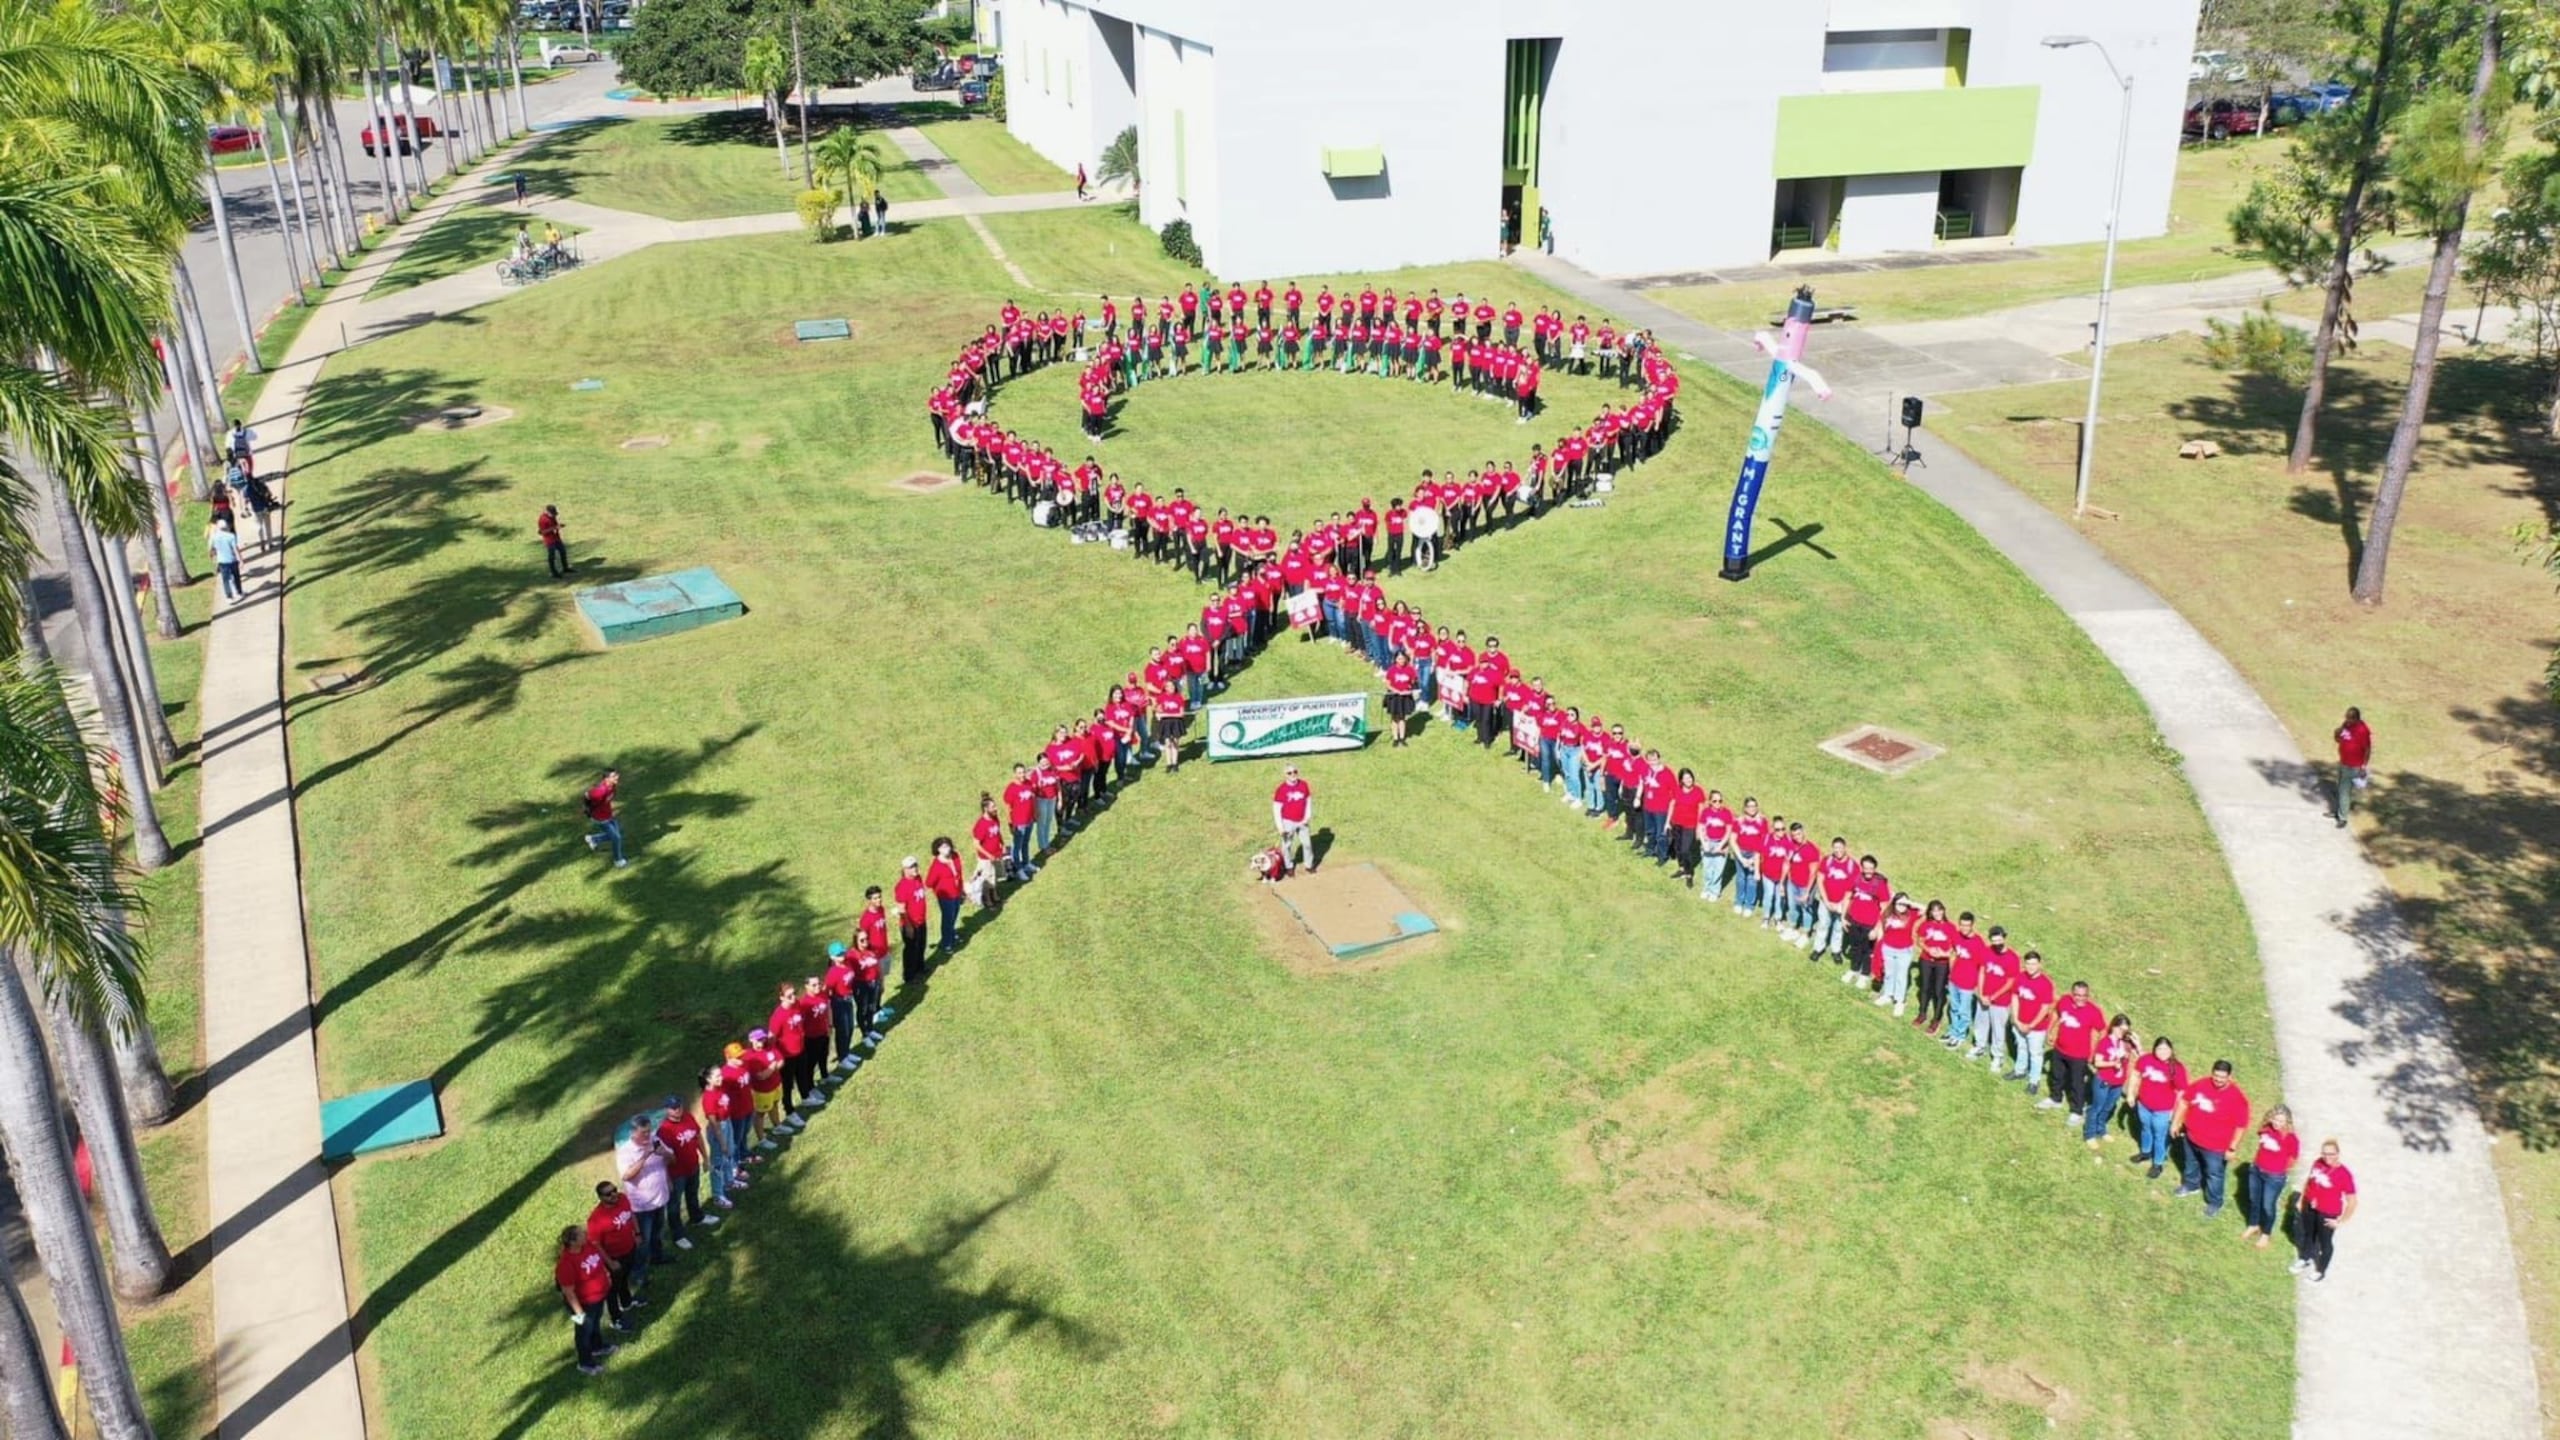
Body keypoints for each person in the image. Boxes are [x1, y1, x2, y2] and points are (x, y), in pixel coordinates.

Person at [2171, 1059, 2252, 1219]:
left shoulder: (2237, 1098)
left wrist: (2232, 1147)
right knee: (2191, 1163)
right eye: (2216, 1076)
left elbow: (2241, 1126)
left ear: (2229, 1076)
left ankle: (2215, 1202)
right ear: (2212, 1073)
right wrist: (2176, 1122)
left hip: (2216, 1147)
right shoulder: (2201, 1085)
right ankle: (2191, 1185)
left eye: (2222, 1077)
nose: (2218, 1080)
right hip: (2192, 1137)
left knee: (2214, 1174)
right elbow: (2185, 1102)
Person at [555, 1226, 620, 1376]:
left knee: (596, 1322)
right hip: (583, 1304)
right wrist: (579, 1314)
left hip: (597, 1298)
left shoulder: (587, 1245)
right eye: (581, 1234)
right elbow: (568, 1292)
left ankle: (597, 1346)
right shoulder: (566, 1264)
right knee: (584, 1333)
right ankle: (585, 1363)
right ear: (573, 1242)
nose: (585, 1234)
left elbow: (597, 1259)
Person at [2290, 1138, 2357, 1279]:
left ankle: (2321, 1271)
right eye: (2325, 1153)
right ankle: (2305, 1258)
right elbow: (2309, 1180)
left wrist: (2341, 1221)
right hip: (2310, 1207)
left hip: (2328, 1212)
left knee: (2325, 1243)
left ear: (2338, 1154)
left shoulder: (2344, 1174)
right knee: (2309, 1235)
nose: (2327, 1157)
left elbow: (2352, 1201)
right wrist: (2302, 1199)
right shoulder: (2317, 1163)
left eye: (2331, 1154)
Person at [654, 1095, 717, 1244]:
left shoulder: (688, 1117)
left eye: (679, 1106)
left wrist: (705, 1158)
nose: (677, 1110)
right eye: (673, 1108)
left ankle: (697, 1217)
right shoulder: (664, 1130)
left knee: (693, 1194)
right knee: (674, 1204)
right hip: (676, 1174)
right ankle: (678, 1235)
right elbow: (663, 1158)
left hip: (693, 1166)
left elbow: (698, 1137)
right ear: (667, 1110)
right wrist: (667, 1179)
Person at [2046, 979, 2106, 1119]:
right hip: (2060, 1049)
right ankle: (2055, 1098)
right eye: (2077, 995)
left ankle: (2076, 1110)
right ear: (2072, 993)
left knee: (2076, 1083)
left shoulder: (2093, 1011)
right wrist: (2050, 1030)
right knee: (2056, 1075)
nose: (2080, 998)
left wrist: (2096, 1050)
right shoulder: (2064, 1001)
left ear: (2087, 996)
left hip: (2079, 1055)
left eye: (2083, 995)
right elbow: (2056, 1013)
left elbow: (2102, 1030)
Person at [2242, 1105, 2298, 1247]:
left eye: (2281, 1121)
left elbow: (2293, 1158)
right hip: (2256, 1170)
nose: (2277, 1123)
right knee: (2254, 1200)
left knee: (2268, 1206)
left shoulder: (2291, 1138)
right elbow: (2260, 1135)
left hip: (2274, 1176)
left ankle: (2266, 1233)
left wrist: (2281, 1171)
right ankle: (2253, 1224)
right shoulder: (2266, 1129)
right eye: (2275, 1119)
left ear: (2287, 1122)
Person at [2131, 1035, 2185, 1179]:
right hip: (2144, 1105)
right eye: (2159, 1048)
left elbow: (2181, 1092)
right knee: (2145, 1129)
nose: (2162, 1052)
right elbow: (2136, 1075)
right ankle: (2145, 1152)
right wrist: (2131, 1094)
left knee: (2159, 1136)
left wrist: (2175, 1112)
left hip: (2163, 1110)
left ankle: (2158, 1163)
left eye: (2166, 1049)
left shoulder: (2177, 1068)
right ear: (2154, 1049)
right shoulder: (2146, 1060)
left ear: (2171, 1050)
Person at [584, 1181, 643, 1312]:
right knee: (613, 1288)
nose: (613, 1195)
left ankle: (626, 1302)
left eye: (614, 1190)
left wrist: (637, 1233)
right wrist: (610, 1263)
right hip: (614, 1257)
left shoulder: (622, 1198)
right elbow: (596, 1244)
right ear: (601, 1197)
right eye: (608, 1194)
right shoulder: (596, 1219)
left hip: (629, 1248)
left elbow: (631, 1214)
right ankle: (615, 1317)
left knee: (624, 1278)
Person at [2084, 1013, 2137, 1149]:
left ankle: (2101, 1130)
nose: (2123, 1032)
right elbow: (2098, 1062)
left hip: (2117, 1082)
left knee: (2109, 1106)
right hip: (2104, 1080)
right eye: (2121, 1029)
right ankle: (2089, 1134)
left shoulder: (2126, 1044)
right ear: (2114, 1027)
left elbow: (2140, 1055)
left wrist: (2135, 1041)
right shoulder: (2105, 1042)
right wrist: (2112, 1063)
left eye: (2126, 1030)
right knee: (2097, 1107)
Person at [893, 857, 931, 985]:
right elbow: (901, 909)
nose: (915, 868)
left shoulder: (918, 879)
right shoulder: (902, 887)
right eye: (911, 867)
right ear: (904, 870)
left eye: (915, 865)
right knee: (911, 950)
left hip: (921, 921)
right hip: (910, 924)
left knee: (921, 945)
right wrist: (908, 926)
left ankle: (920, 967)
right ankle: (909, 975)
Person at [2333, 706, 2372, 828]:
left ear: (2357, 718)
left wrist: (2363, 766)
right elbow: (2339, 740)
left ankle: (2343, 818)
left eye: (2350, 719)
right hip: (2343, 762)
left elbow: (2367, 749)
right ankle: (2338, 813)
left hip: (2353, 766)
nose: (2347, 721)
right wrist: (2336, 733)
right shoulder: (2346, 725)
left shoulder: (2362, 730)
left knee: (2345, 792)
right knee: (2340, 788)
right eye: (2346, 718)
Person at [926, 837, 966, 957]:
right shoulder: (937, 865)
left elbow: (959, 873)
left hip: (957, 892)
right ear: (937, 849)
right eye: (943, 847)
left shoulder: (955, 856)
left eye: (947, 846)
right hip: (945, 896)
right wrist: (938, 891)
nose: (946, 849)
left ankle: (952, 933)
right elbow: (929, 882)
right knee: (948, 918)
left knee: (955, 913)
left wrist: (961, 890)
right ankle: (946, 942)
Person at [1273, 765, 1314, 874]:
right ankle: (1289, 866)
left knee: (1307, 844)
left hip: (1302, 821)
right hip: (1288, 822)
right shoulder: (1281, 789)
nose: (1293, 774)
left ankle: (1309, 865)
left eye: (1295, 771)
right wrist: (1280, 828)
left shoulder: (1304, 785)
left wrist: (1307, 817)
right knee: (1286, 846)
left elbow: (1308, 802)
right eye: (1289, 773)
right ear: (1285, 775)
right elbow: (1276, 810)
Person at [582, 768, 626, 867]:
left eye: (617, 774)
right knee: (617, 838)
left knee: (616, 835)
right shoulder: (600, 790)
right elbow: (586, 795)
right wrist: (587, 809)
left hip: (608, 815)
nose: (617, 777)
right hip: (600, 818)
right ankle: (618, 860)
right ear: (606, 779)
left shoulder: (613, 786)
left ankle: (593, 839)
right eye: (614, 776)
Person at [1383, 649, 1418, 747]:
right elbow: (1387, 684)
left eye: (1403, 658)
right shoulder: (1392, 669)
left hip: (1405, 697)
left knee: (1402, 718)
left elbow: (1414, 682)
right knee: (1394, 718)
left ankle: (1402, 738)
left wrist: (1410, 689)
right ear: (1395, 659)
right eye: (1399, 658)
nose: (1401, 660)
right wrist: (1396, 690)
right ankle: (1395, 738)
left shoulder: (1410, 669)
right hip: (1394, 697)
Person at [208, 516, 243, 602]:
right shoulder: (231, 536)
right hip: (232, 560)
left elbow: (211, 548)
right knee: (236, 577)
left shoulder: (214, 537)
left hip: (222, 561)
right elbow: (235, 549)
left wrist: (211, 557)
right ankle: (239, 592)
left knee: (226, 580)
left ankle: (229, 597)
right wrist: (241, 560)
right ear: (226, 527)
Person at [539, 504, 569, 577]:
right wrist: (554, 528)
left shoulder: (552, 517)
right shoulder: (542, 520)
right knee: (552, 556)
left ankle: (565, 568)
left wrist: (558, 526)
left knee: (563, 551)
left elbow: (555, 525)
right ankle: (553, 572)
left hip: (556, 538)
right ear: (547, 512)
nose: (554, 515)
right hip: (549, 540)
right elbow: (542, 532)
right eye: (552, 514)